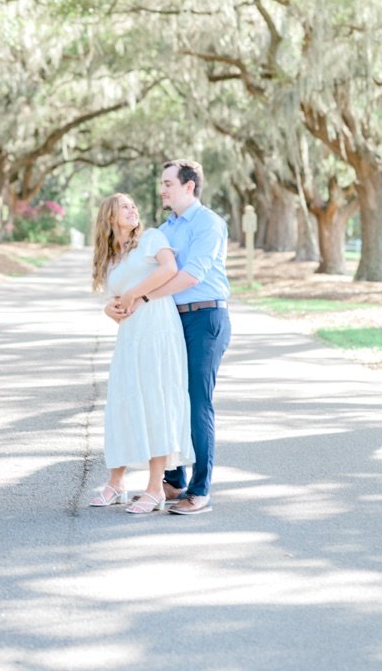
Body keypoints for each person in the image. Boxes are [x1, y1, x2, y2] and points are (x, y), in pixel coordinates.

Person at [107, 159, 231, 515]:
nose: (161, 189)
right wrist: (116, 304)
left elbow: (191, 276)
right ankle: (174, 480)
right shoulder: (166, 228)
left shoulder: (208, 223)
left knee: (196, 401)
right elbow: (138, 273)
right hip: (170, 322)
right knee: (166, 396)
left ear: (188, 186)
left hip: (206, 315)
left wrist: (142, 298)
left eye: (167, 183)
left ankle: (200, 489)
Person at [90, 192, 195, 515]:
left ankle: (154, 488)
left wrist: (135, 294)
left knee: (155, 400)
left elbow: (169, 269)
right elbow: (111, 296)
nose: (133, 210)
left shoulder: (152, 238)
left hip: (158, 325)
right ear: (110, 217)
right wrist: (110, 308)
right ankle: (116, 483)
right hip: (130, 333)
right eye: (125, 207)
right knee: (123, 400)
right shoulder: (110, 257)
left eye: (134, 205)